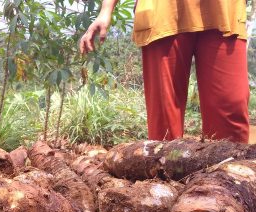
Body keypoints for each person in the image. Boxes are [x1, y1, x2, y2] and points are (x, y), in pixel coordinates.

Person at [80, 0, 250, 143]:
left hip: (225, 11)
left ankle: (228, 179)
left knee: (230, 109)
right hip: (163, 12)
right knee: (164, 124)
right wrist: (105, 10)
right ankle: (166, 179)